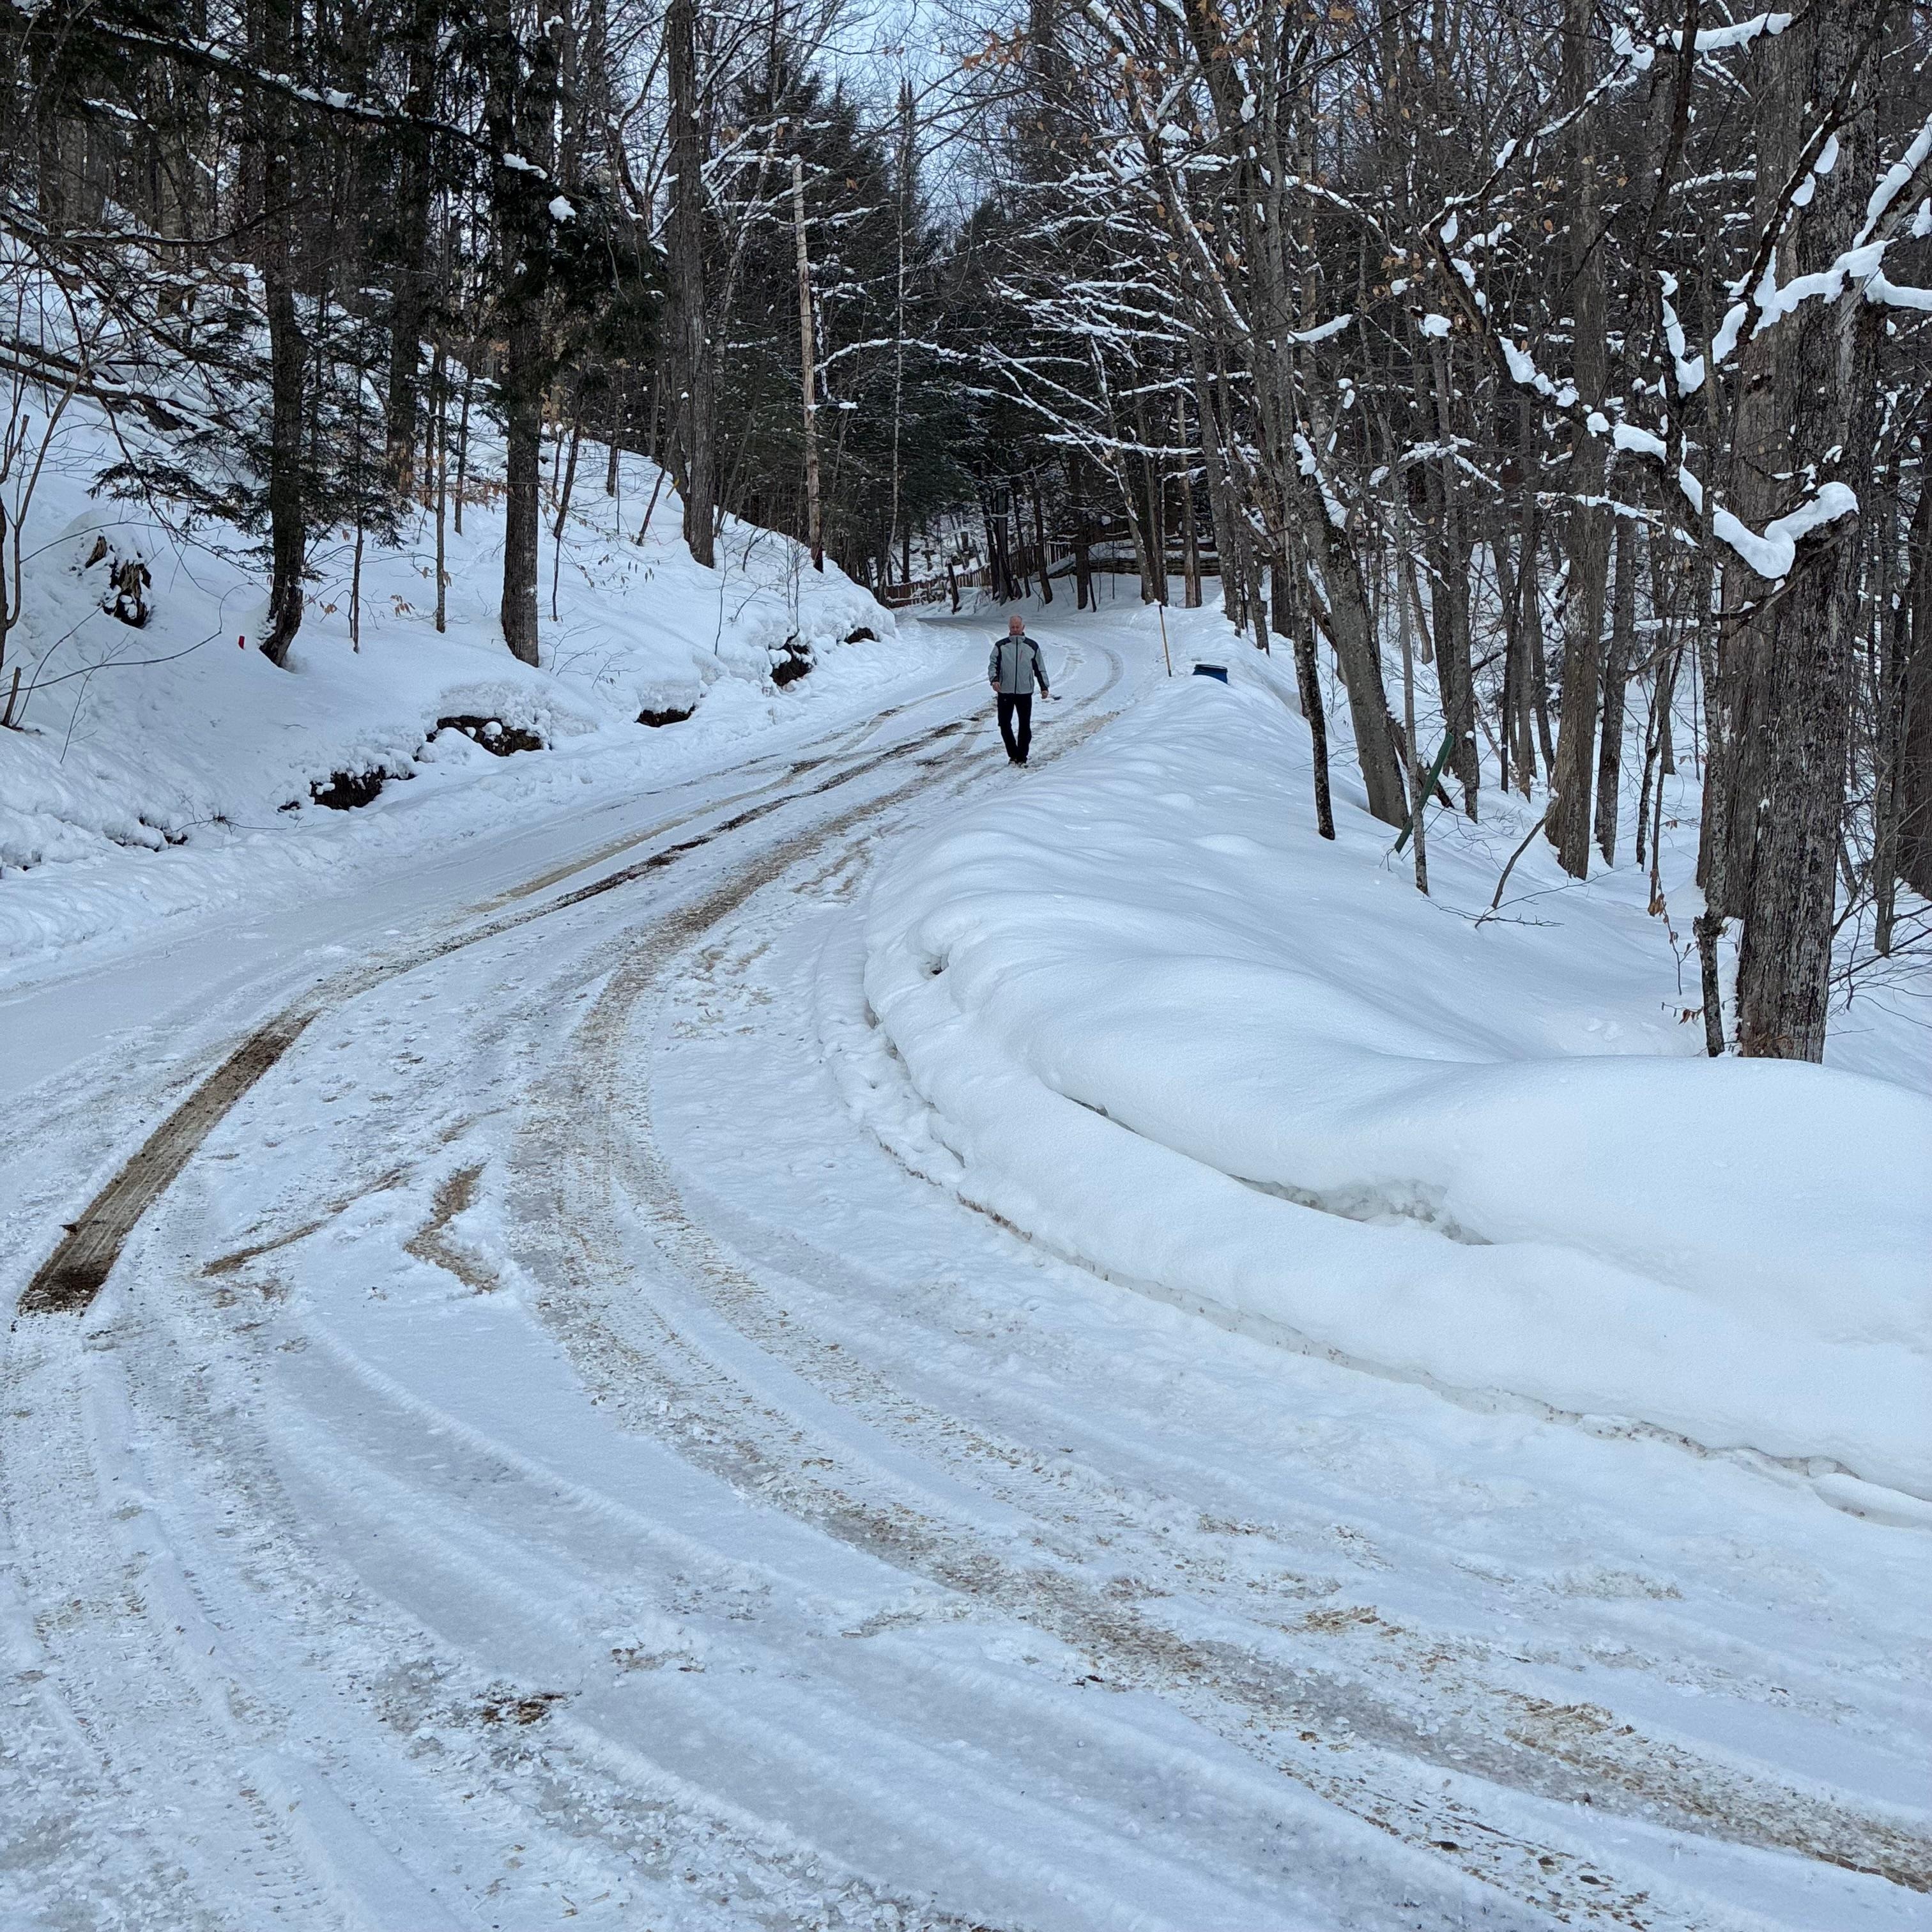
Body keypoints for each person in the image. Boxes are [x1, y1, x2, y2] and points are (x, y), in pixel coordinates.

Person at [987, 613, 1051, 765]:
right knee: (1004, 724)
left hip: (1025, 692)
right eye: (1013, 627)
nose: (1015, 629)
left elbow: (1039, 668)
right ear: (1009, 628)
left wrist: (1044, 687)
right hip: (1005, 691)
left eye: (1018, 627)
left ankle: (1022, 756)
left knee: (1024, 725)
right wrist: (994, 680)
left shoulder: (1032, 646)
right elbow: (993, 665)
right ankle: (1013, 754)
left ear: (1023, 627)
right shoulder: (1000, 646)